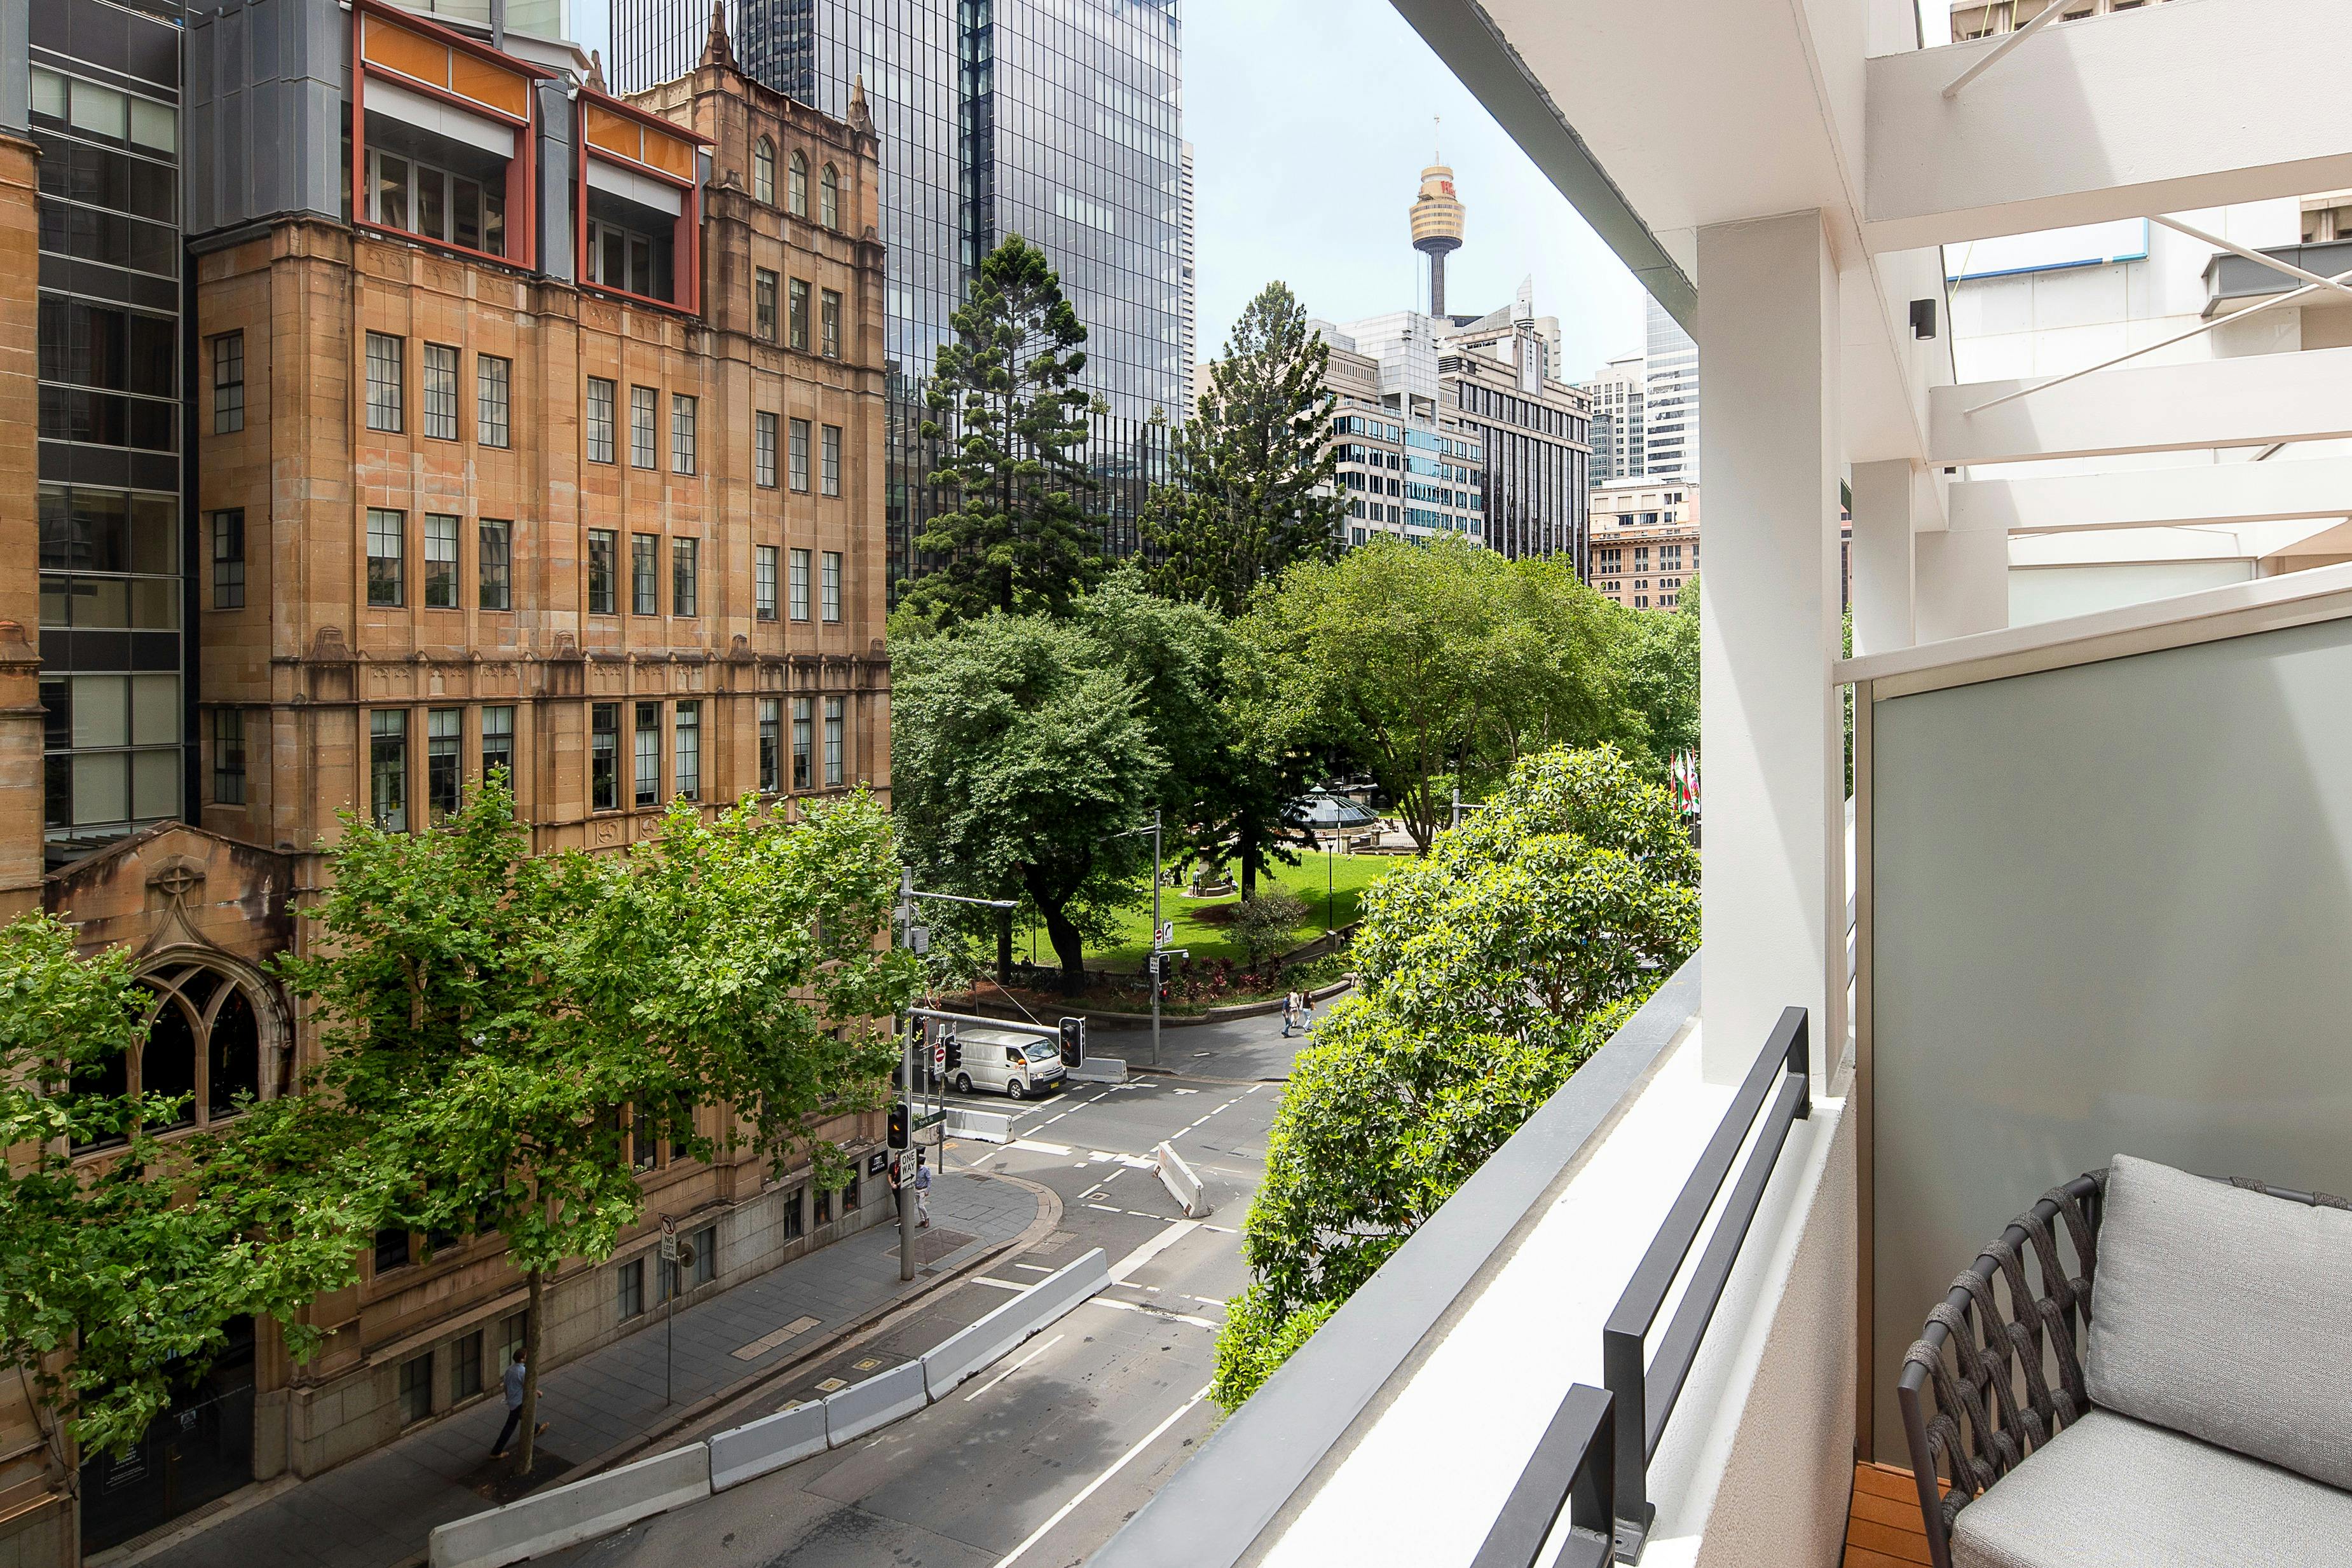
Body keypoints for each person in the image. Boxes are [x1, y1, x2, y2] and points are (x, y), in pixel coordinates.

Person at [490, 1346, 548, 1459]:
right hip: (519, 1401)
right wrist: (539, 1392)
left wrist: (508, 1397)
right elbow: (528, 1385)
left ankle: (536, 1429)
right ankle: (496, 1452)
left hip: (512, 1400)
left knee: (524, 1416)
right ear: (522, 1359)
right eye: (526, 1356)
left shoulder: (510, 1369)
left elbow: (506, 1385)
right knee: (510, 1426)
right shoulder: (522, 1371)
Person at [915, 1156, 932, 1227]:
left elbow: (929, 1180)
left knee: (921, 1206)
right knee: (918, 1206)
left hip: (923, 1189)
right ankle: (922, 1220)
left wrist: (927, 1191)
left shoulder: (925, 1169)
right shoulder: (914, 1170)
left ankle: (927, 1218)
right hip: (916, 1189)